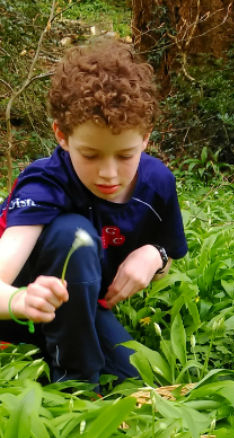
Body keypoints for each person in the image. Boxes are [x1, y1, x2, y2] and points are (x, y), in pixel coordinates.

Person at [0, 38, 187, 386]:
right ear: (62, 135)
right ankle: (75, 385)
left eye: (125, 155)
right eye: (90, 155)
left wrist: (155, 255)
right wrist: (19, 299)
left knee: (142, 377)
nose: (109, 174)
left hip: (81, 309)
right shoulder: (44, 184)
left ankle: (72, 356)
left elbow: (168, 256)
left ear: (146, 138)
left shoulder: (158, 183)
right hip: (18, 310)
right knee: (74, 234)